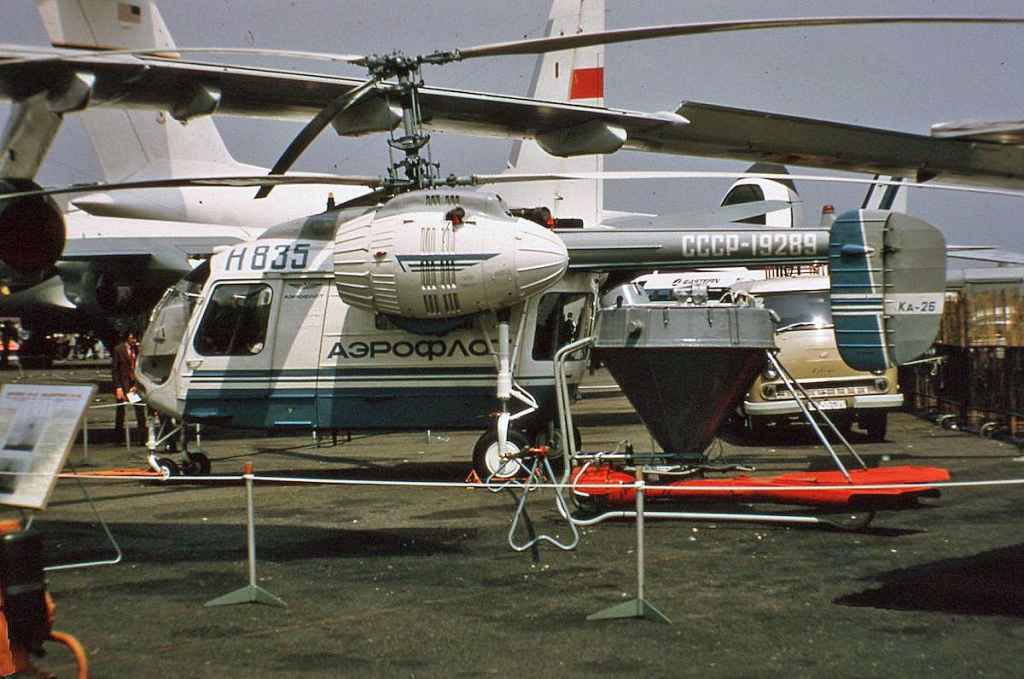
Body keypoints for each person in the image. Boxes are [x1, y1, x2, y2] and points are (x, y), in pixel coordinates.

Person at [111, 331, 147, 445]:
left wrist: (137, 385)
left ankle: (142, 438)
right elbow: (115, 370)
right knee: (121, 412)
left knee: (139, 411)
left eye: (135, 338)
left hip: (133, 386)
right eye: (132, 338)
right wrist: (118, 387)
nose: (134, 341)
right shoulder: (119, 350)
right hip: (123, 385)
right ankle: (118, 439)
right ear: (127, 338)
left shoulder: (137, 349)